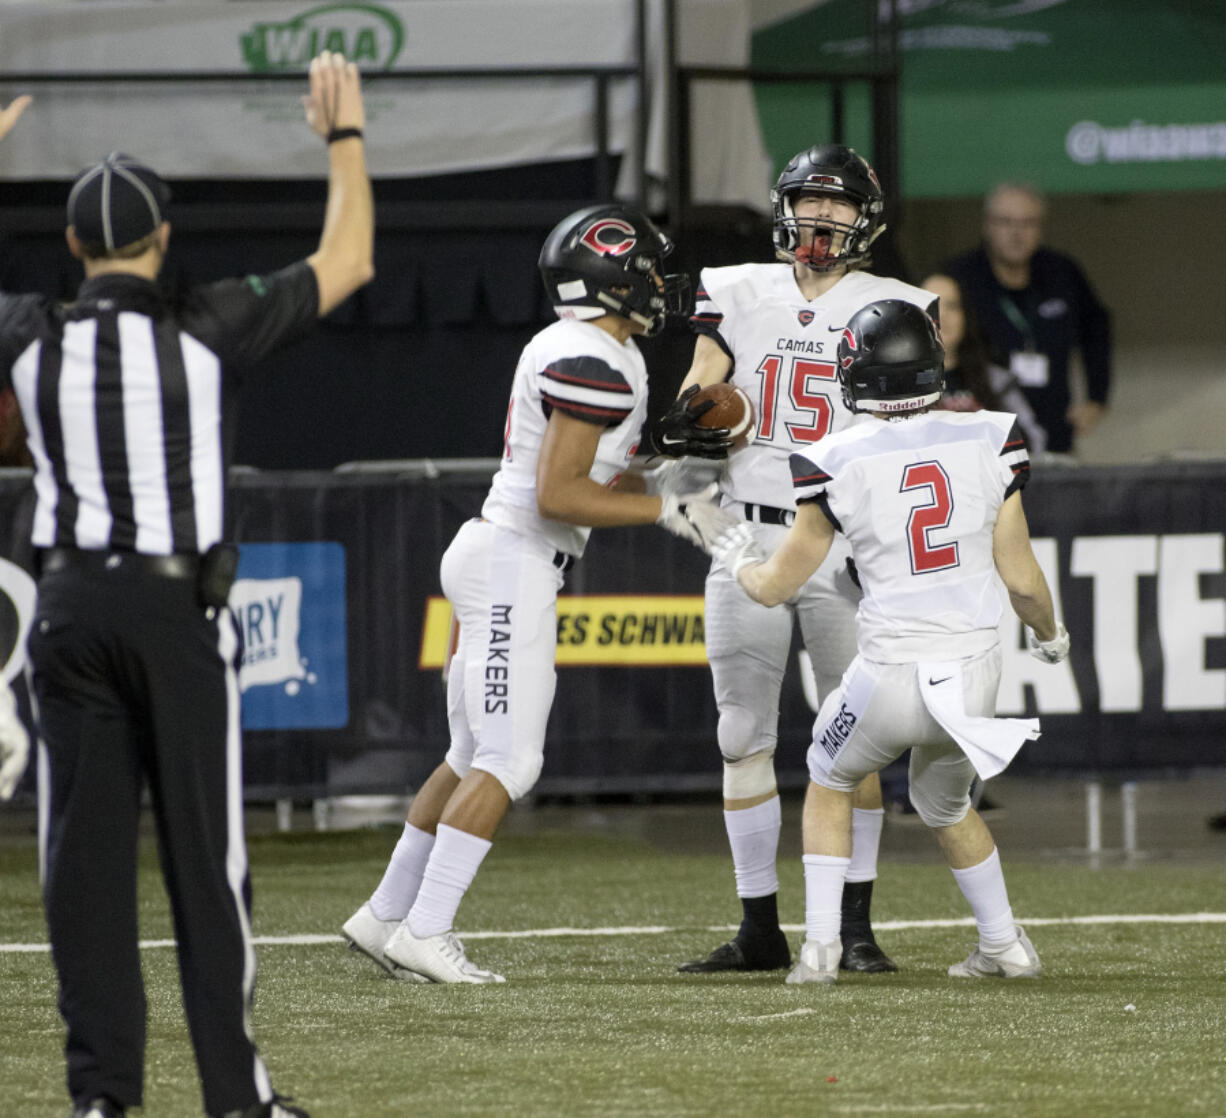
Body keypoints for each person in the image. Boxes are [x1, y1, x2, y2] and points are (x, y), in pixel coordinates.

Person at [0, 53, 373, 1118]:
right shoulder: (206, 325)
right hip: (172, 612)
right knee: (207, 870)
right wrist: (341, 135)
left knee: (82, 874)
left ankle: (104, 1099)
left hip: (68, 613)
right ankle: (235, 1102)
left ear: (72, 246)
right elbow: (346, 259)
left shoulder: (31, 333)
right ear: (162, 239)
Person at [341, 203, 721, 984]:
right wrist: (666, 508)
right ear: (614, 279)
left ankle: (384, 916)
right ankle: (427, 928)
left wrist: (658, 464)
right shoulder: (597, 359)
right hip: (515, 558)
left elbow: (577, 470)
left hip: (495, 551)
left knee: (468, 753)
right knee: (510, 761)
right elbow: (559, 494)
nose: (656, 283)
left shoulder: (585, 346)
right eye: (646, 269)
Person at [699, 299, 1070, 984]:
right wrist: (1052, 637)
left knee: (828, 773)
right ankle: (1004, 944)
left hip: (892, 672)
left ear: (858, 375)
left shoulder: (834, 455)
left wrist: (730, 552)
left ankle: (820, 949)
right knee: (945, 803)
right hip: (975, 672)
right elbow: (1021, 578)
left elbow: (778, 585)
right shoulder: (990, 436)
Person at [652, 144, 937, 976]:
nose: (819, 217)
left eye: (837, 204)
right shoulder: (737, 287)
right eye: (806, 200)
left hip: (851, 540)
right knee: (741, 732)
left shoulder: (898, 303)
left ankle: (854, 927)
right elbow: (706, 380)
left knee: (859, 740)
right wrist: (692, 415)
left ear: (866, 219)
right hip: (751, 529)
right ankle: (758, 928)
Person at [941, 182, 1111, 457]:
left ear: (1041, 227)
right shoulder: (960, 279)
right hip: (983, 446)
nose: (1017, 233)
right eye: (1006, 222)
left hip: (1054, 435)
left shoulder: (1062, 273)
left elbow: (1097, 327)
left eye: (1028, 223)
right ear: (987, 225)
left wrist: (1097, 398)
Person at [921, 273, 1045, 455]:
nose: (942, 315)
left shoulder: (996, 381)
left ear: (966, 316)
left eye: (952, 306)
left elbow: (1032, 442)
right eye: (930, 307)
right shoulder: (891, 384)